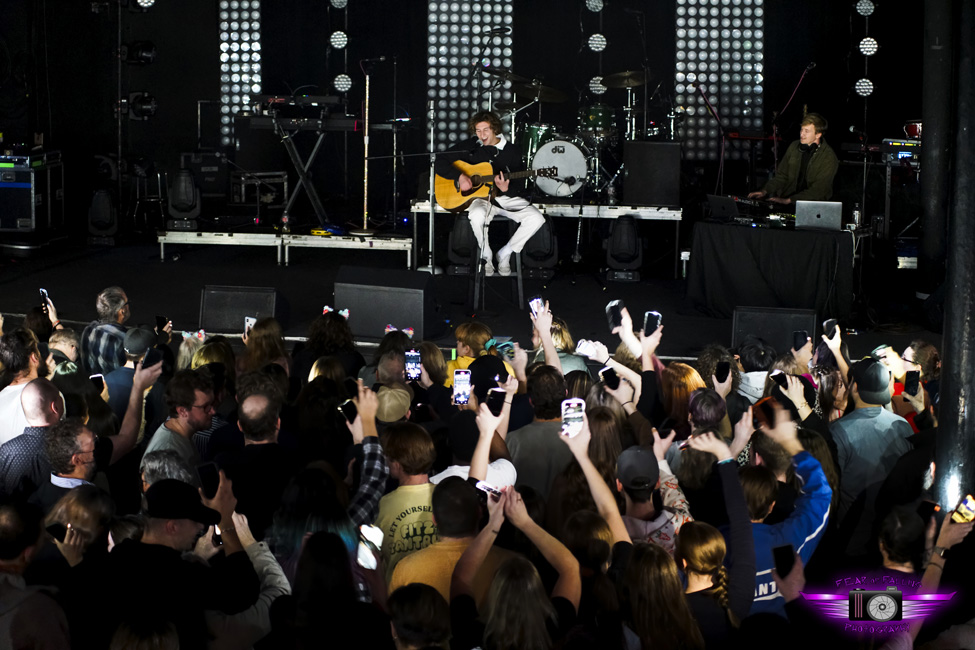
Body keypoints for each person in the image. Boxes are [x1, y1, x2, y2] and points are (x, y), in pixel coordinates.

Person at [436, 111, 545, 277]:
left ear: (495, 129)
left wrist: (506, 189)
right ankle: (486, 255)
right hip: (482, 199)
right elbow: (440, 160)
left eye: (485, 130)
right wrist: (460, 176)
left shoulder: (512, 151)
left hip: (506, 199)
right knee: (477, 214)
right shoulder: (472, 146)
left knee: (537, 218)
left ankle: (506, 253)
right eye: (478, 131)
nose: (482, 135)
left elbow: (520, 186)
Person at [747, 112, 839, 204]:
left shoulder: (828, 157)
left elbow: (819, 190)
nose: (802, 134)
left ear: (818, 134)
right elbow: (782, 176)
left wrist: (789, 201)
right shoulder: (794, 146)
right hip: (788, 199)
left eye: (806, 131)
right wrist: (765, 191)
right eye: (801, 130)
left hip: (813, 205)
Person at [80, 286, 131, 376]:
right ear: (122, 311)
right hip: (115, 388)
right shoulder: (123, 338)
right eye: (127, 303)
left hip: (93, 386)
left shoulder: (88, 330)